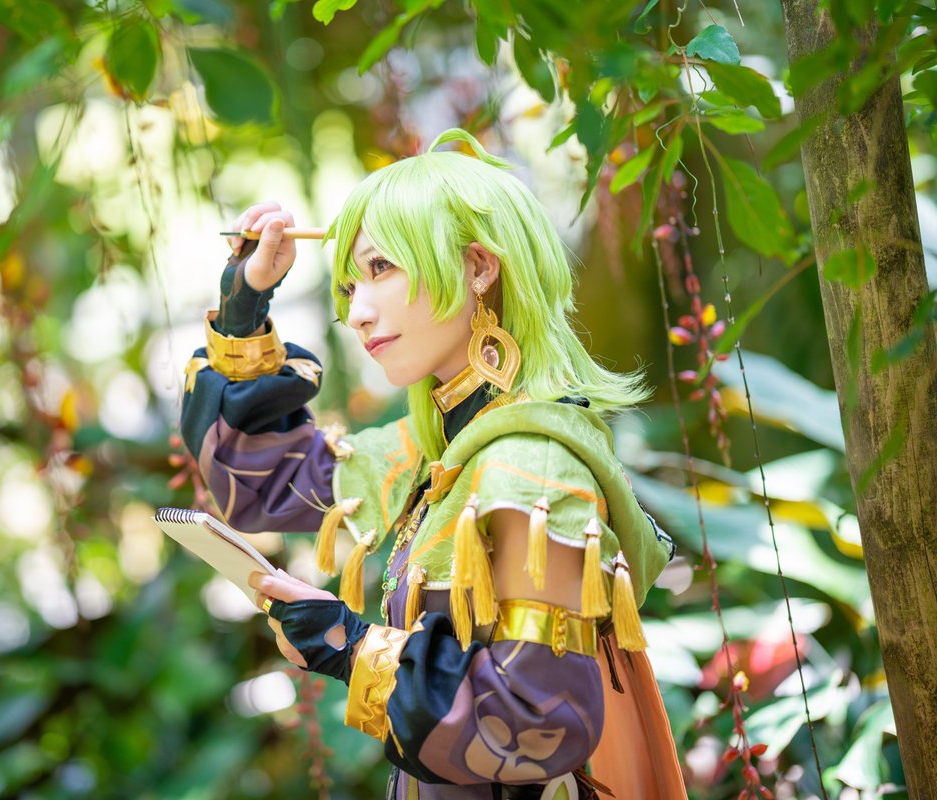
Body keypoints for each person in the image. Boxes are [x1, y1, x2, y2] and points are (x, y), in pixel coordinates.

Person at [179, 129, 687, 799]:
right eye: (350, 285)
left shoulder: (530, 463)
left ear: (479, 268)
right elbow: (257, 479)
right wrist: (245, 300)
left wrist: (352, 646)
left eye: (382, 268)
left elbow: (535, 720)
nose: (358, 314)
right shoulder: (436, 447)